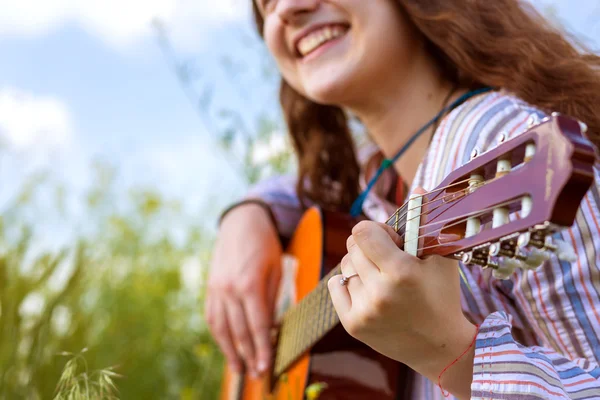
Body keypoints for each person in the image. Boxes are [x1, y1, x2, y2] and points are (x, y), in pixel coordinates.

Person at [205, 0, 600, 398]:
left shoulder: (500, 140)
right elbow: (294, 189)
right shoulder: (371, 177)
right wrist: (246, 216)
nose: (289, 7)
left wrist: (451, 354)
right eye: (266, 3)